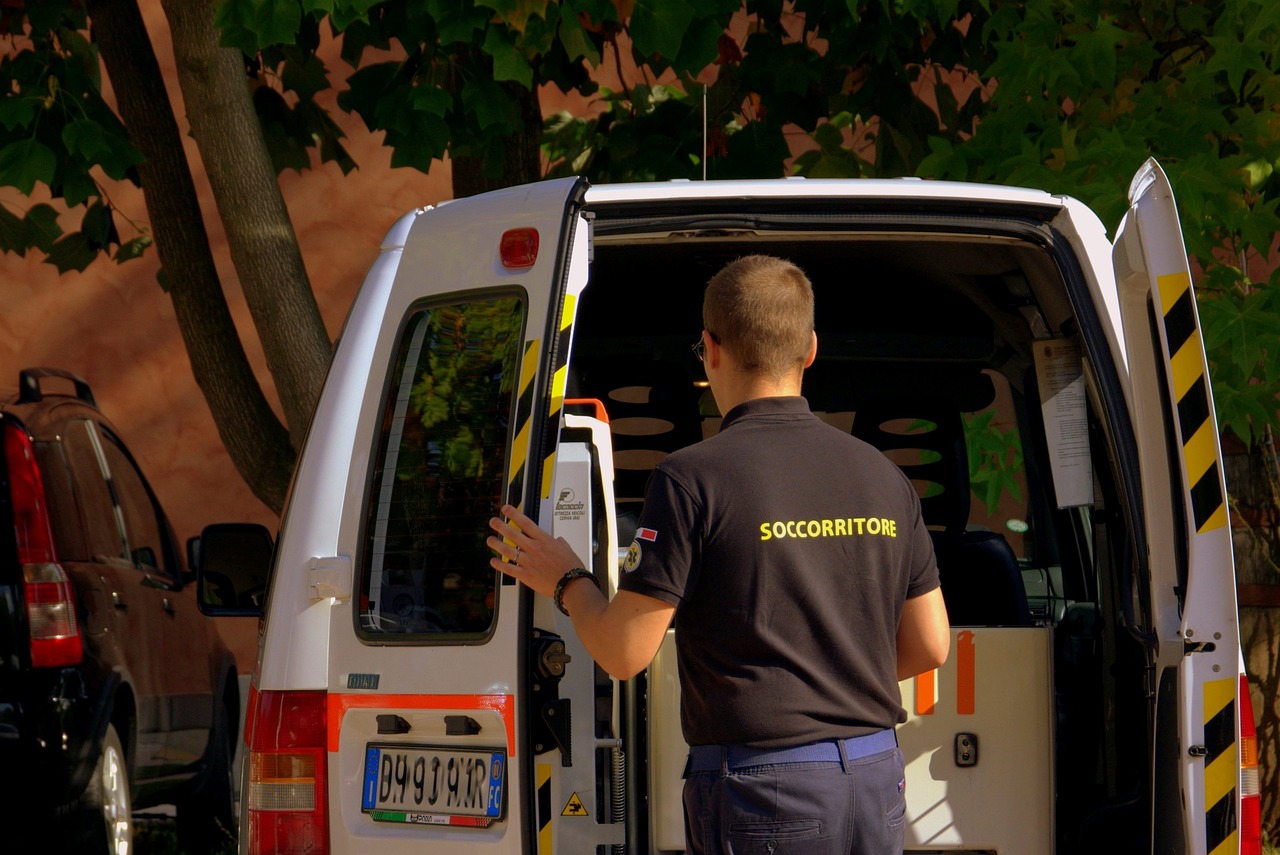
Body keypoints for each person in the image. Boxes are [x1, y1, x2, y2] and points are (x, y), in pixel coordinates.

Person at [489, 254, 950, 855]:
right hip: (874, 777)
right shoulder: (884, 477)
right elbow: (930, 645)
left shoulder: (691, 479)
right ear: (810, 349)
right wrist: (829, 677)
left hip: (767, 792)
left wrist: (566, 576)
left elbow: (624, 653)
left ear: (709, 348)